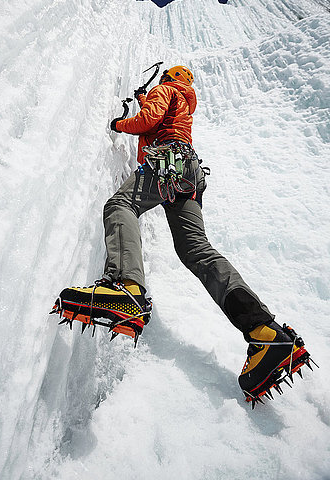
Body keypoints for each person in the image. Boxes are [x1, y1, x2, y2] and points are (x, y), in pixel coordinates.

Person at [52, 65, 310, 403]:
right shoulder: (183, 100)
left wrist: (118, 124)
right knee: (196, 251)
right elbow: (158, 113)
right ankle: (266, 334)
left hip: (165, 161)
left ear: (168, 79)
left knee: (120, 206)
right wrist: (146, 100)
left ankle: (125, 286)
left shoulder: (166, 90)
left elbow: (147, 121)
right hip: (189, 175)